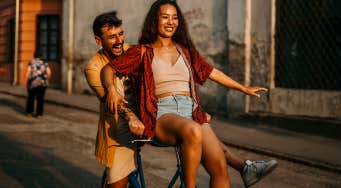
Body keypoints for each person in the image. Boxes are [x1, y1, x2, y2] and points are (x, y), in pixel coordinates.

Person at [103, 1, 277, 187]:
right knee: (193, 129)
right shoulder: (142, 51)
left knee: (219, 167)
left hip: (192, 112)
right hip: (161, 114)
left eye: (175, 17)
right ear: (154, 20)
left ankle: (244, 170)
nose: (171, 22)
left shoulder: (185, 50)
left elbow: (212, 72)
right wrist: (111, 89)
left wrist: (243, 88)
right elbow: (108, 69)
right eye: (165, 17)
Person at [84, 12, 144, 187]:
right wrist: (132, 117)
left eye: (120, 34)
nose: (119, 41)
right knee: (118, 184)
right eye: (111, 37)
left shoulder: (132, 51)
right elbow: (112, 102)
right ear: (98, 40)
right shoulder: (94, 67)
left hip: (146, 119)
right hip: (119, 127)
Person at [25, 51, 51, 118]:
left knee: (31, 98)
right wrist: (46, 79)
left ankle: (29, 113)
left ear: (34, 56)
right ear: (41, 56)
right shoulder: (45, 63)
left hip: (32, 83)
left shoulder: (31, 62)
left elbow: (28, 72)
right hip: (42, 83)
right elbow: (49, 73)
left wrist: (27, 81)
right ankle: (39, 114)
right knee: (40, 99)